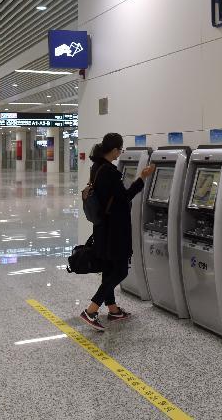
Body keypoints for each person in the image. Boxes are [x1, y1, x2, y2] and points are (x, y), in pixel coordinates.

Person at [79, 132, 155, 331]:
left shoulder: (96, 167)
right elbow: (125, 197)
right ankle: (91, 310)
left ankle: (113, 310)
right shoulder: (110, 172)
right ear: (113, 150)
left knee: (108, 268)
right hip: (115, 230)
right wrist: (142, 178)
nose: (120, 153)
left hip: (102, 228)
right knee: (120, 270)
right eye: (119, 150)